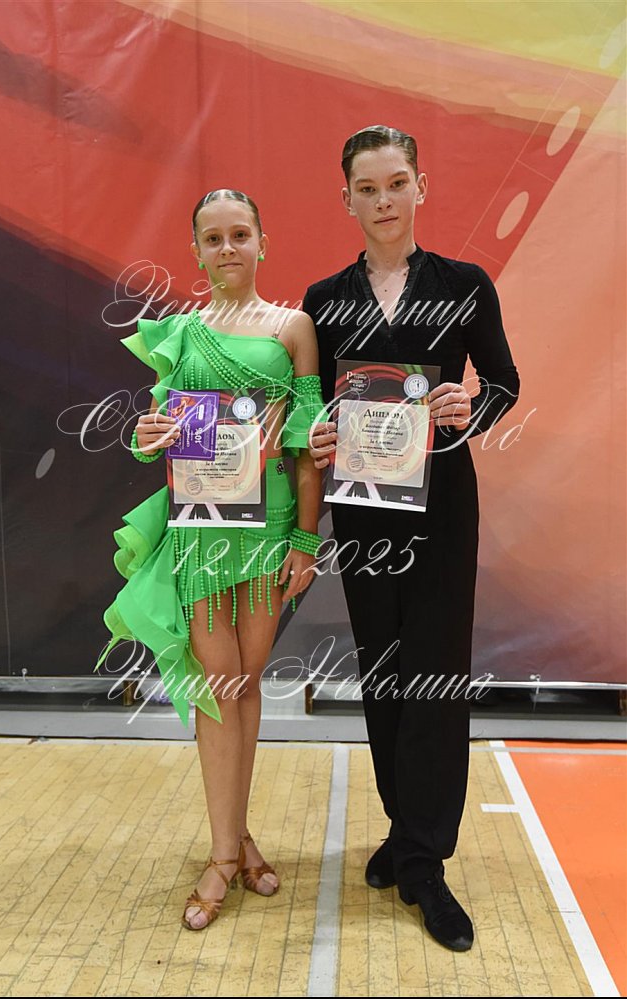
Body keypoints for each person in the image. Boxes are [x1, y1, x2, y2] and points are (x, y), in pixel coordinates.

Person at [302, 125, 521, 952]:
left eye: (397, 182)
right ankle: (404, 827)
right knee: (384, 674)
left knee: (435, 674)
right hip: (362, 514)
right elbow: (313, 407)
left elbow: (503, 382)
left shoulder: (464, 284)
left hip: (443, 511)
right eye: (368, 187)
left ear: (421, 186)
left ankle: (425, 859)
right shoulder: (323, 299)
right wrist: (317, 435)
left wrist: (472, 406)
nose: (384, 199)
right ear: (346, 198)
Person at [95, 189, 329, 930]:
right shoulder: (183, 331)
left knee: (245, 683)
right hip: (200, 533)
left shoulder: (294, 327)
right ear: (195, 251)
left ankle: (233, 838)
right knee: (215, 685)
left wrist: (305, 542)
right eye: (213, 238)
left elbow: (307, 446)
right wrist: (149, 434)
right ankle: (227, 852)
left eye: (240, 234)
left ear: (263, 241)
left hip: (268, 534)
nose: (228, 248)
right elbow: (161, 429)